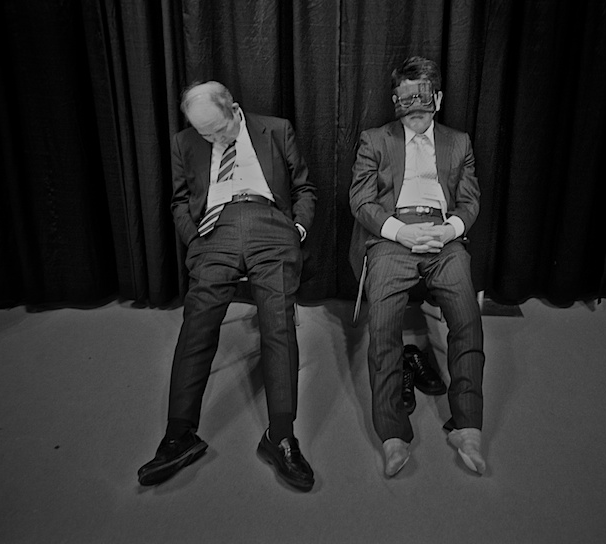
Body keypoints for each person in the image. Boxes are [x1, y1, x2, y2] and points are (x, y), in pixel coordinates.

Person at [138, 81, 317, 491]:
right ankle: (178, 435)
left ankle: (281, 436)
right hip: (213, 231)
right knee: (197, 322)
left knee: (278, 323)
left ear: (234, 109)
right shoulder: (185, 142)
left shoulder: (276, 129)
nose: (214, 139)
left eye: (219, 130)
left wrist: (297, 229)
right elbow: (179, 200)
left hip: (271, 223)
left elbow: (304, 187)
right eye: (205, 134)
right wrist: (193, 238)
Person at [349, 56, 486, 477]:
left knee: (467, 319)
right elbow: (361, 200)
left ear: (438, 99)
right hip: (392, 237)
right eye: (406, 103)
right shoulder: (375, 139)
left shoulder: (458, 142)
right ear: (396, 102)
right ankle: (393, 433)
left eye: (423, 102)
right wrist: (401, 233)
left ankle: (468, 427)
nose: (415, 112)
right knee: (383, 325)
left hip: (443, 237)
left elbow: (470, 201)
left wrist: (447, 231)